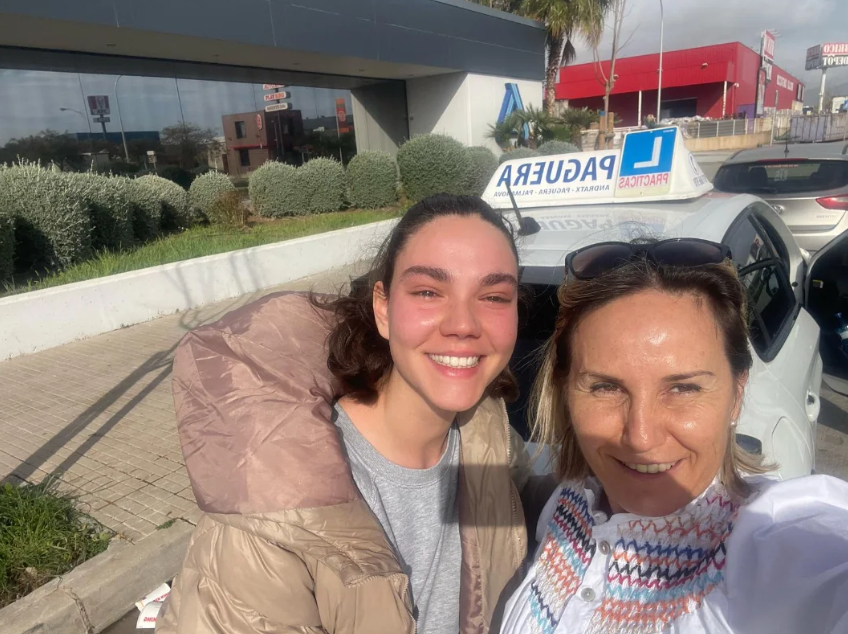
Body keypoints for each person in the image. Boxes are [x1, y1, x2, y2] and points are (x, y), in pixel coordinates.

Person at [156, 194, 556, 634]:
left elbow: (517, 504)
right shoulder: (268, 518)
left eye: (494, 296)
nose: (463, 323)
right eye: (428, 291)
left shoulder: (487, 433)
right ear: (383, 308)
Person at [500, 239, 848, 634]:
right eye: (605, 387)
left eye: (683, 388)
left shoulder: (777, 541)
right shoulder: (569, 505)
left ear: (736, 394)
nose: (641, 438)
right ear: (565, 391)